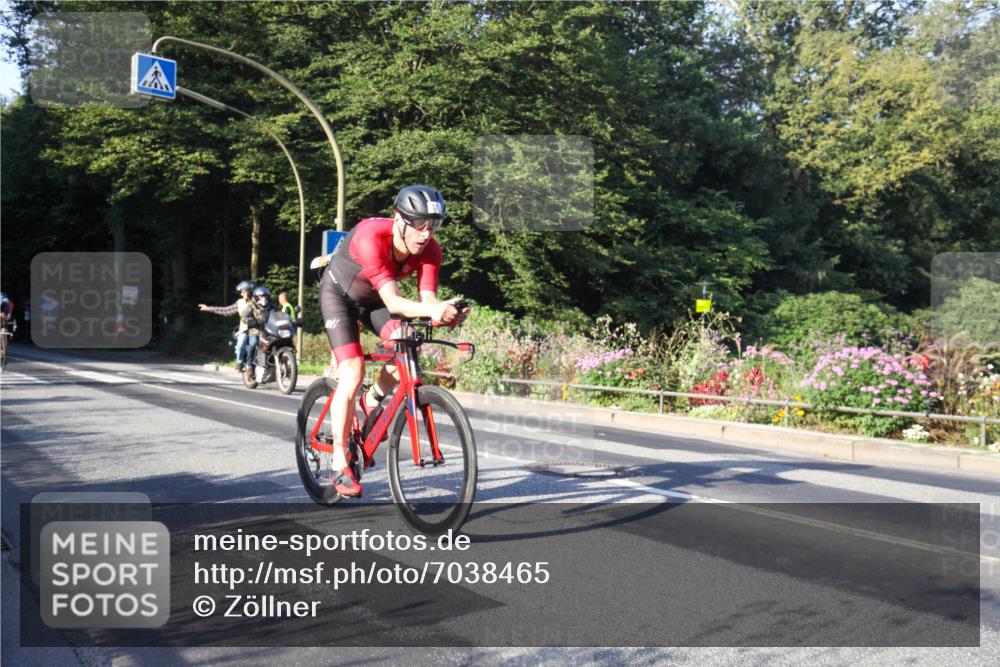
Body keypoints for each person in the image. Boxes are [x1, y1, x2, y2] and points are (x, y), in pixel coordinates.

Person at [318, 184, 470, 497]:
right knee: (352, 370)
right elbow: (396, 302)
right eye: (419, 225)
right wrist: (434, 310)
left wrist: (446, 312)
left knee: (407, 344)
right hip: (340, 298)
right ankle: (338, 463)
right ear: (398, 219)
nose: (426, 234)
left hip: (375, 303)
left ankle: (369, 402)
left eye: (433, 226)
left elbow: (427, 300)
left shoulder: (431, 250)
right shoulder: (370, 238)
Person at [198, 281, 255, 372]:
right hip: (244, 329)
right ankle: (239, 363)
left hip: (257, 330)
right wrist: (209, 308)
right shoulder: (240, 302)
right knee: (241, 342)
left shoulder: (258, 302)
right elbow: (226, 310)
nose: (241, 294)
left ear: (250, 292)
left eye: (243, 292)